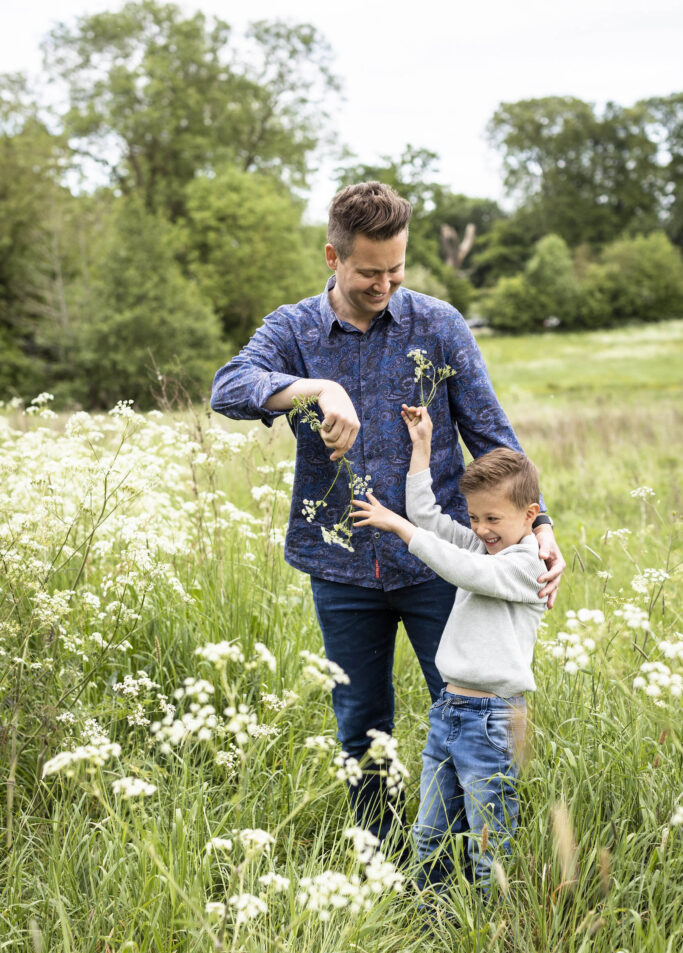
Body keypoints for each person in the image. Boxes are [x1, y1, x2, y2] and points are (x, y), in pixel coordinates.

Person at [210, 181, 564, 843]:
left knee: (463, 713)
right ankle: (377, 855)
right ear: (332, 257)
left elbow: (491, 434)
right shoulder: (293, 330)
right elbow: (228, 387)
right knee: (359, 720)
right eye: (369, 271)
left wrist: (539, 527)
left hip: (445, 563)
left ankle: (469, 857)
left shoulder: (438, 325)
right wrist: (316, 387)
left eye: (396, 268)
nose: (384, 283)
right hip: (338, 564)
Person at [350, 405, 546, 892]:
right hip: (449, 711)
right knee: (429, 835)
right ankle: (432, 923)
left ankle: (490, 933)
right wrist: (421, 448)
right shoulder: (486, 547)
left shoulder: (528, 566)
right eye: (475, 517)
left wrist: (399, 529)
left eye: (493, 518)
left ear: (531, 515)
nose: (481, 529)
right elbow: (428, 516)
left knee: (488, 840)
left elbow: (464, 571)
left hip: (493, 720)